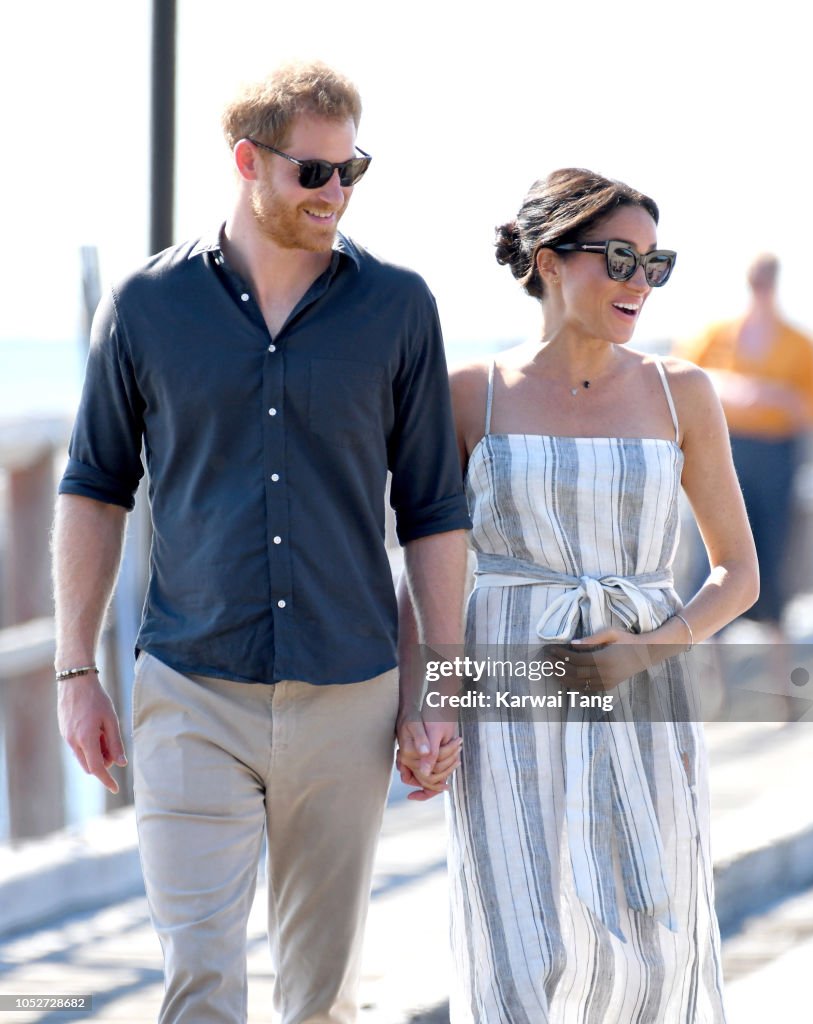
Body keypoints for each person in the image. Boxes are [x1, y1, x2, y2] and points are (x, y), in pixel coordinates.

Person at [52, 60, 469, 1024]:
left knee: (320, 999)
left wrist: (435, 689)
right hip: (192, 688)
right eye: (312, 172)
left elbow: (434, 510)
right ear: (247, 160)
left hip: (348, 693)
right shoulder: (147, 307)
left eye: (350, 170)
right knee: (199, 984)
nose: (336, 194)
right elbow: (92, 485)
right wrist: (76, 672)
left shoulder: (398, 308)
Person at [398, 168, 758, 1022]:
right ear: (549, 259)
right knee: (518, 938)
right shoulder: (467, 394)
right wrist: (425, 706)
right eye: (619, 260)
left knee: (651, 933)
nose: (640, 283)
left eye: (652, 264)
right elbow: (426, 567)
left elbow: (736, 574)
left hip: (644, 690)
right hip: (507, 692)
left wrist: (647, 648)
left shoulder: (683, 393)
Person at [677, 253, 813, 635]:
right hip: (725, 447)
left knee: (770, 556)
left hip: (776, 454)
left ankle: (779, 682)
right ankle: (712, 681)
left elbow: (812, 407)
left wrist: (774, 397)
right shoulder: (715, 334)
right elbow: (679, 376)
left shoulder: (800, 343)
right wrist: (733, 388)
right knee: (711, 556)